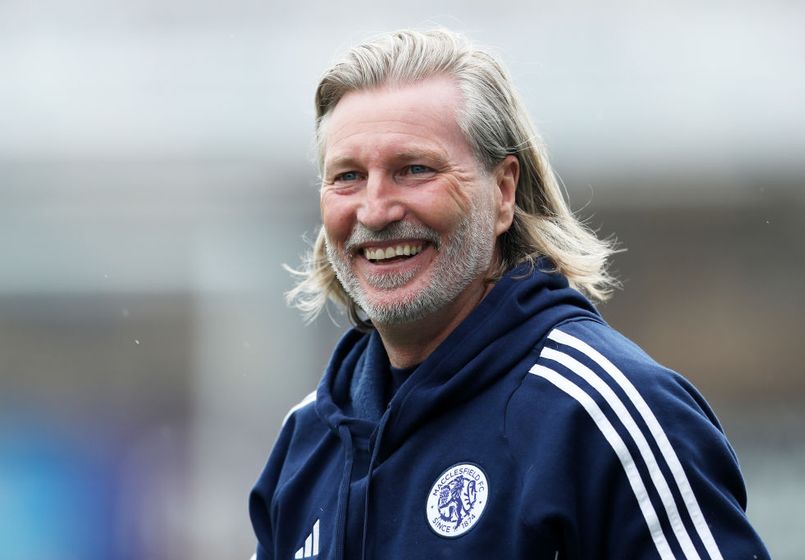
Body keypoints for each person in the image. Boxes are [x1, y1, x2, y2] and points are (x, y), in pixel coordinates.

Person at [249, 28, 769, 560]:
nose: (376, 209)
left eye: (415, 170)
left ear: (503, 192)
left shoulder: (603, 415)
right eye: (348, 176)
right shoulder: (307, 439)